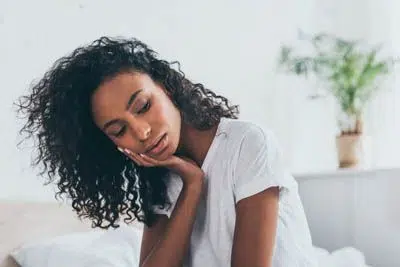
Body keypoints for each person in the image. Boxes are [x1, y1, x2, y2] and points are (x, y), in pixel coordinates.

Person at [17, 37, 317, 267]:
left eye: (144, 106)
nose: (142, 132)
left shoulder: (248, 144)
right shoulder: (158, 178)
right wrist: (192, 185)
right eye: (119, 130)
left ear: (167, 89)